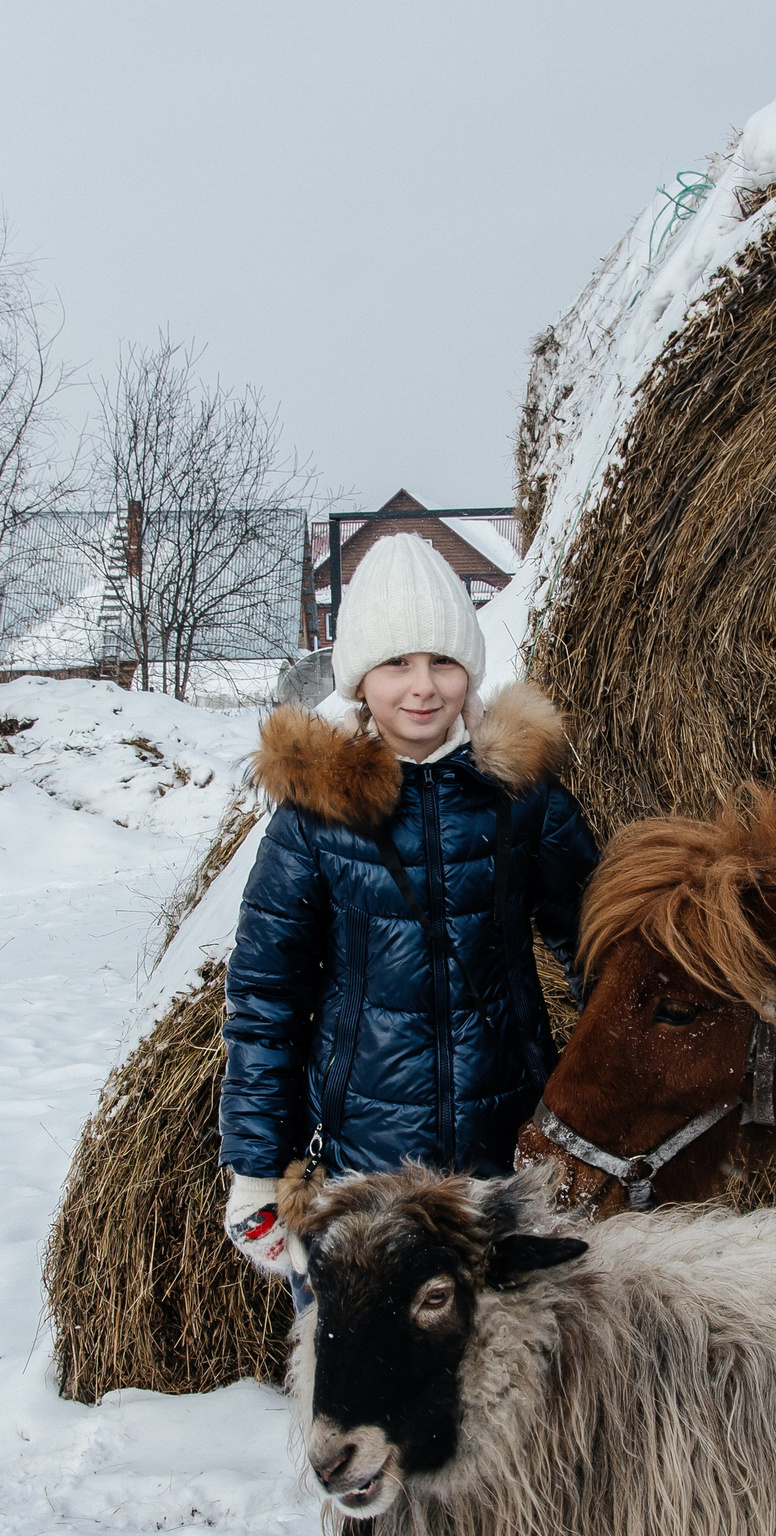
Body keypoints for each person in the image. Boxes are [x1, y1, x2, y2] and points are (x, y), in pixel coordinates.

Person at [219, 531, 599, 1278]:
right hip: (366, 1156)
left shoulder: (523, 796)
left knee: (513, 1369)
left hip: (508, 1144)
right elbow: (267, 992)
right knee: (374, 1371)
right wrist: (258, 1167)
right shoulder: (316, 817)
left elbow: (595, 949)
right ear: (360, 679)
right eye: (396, 662)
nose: (422, 686)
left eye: (444, 661)